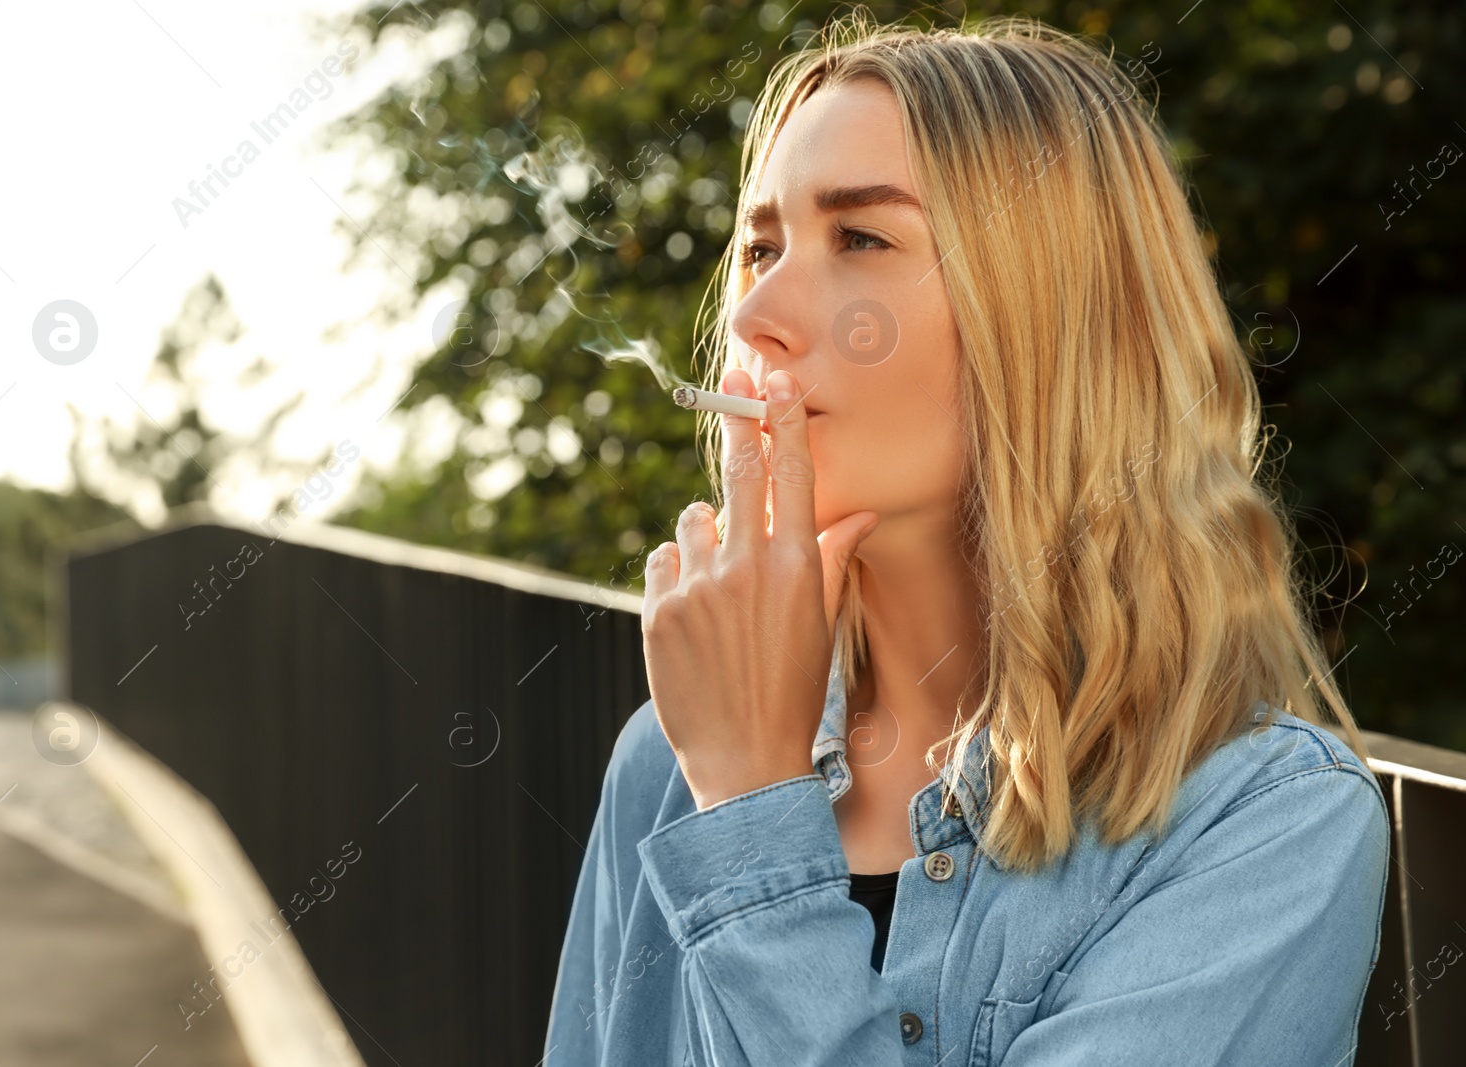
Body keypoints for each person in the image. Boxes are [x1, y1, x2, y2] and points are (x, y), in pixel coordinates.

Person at [544, 12, 1389, 1066]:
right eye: (760, 246)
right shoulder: (670, 764)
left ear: (1051, 313)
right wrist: (734, 782)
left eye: (859, 237)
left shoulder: (1261, 829)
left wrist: (755, 815)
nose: (754, 308)